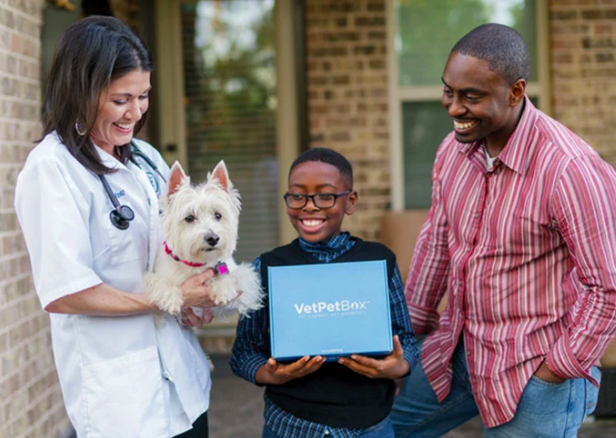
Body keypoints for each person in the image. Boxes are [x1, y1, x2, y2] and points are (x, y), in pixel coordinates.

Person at [390, 23, 616, 437]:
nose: (454, 108)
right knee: (378, 427)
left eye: (471, 97)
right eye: (449, 91)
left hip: (533, 371)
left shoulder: (569, 170)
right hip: (456, 352)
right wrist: (407, 333)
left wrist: (558, 367)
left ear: (515, 92)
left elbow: (607, 287)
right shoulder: (452, 151)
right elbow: (437, 243)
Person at [14, 16, 222, 438]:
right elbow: (66, 291)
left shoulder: (144, 157)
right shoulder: (52, 169)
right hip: (124, 403)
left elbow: (176, 247)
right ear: (82, 93)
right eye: (121, 99)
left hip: (183, 387)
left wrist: (198, 298)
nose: (136, 112)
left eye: (143, 96)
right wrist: (168, 299)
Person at [230, 147, 419, 438]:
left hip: (370, 427)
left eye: (325, 195)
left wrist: (397, 366)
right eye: (297, 195)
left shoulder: (378, 261)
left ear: (350, 201)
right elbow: (243, 353)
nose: (309, 205)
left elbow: (406, 338)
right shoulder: (267, 267)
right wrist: (269, 374)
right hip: (291, 426)